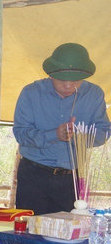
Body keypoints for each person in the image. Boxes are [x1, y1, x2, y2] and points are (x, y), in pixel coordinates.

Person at [13, 43, 111, 214]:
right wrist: (54, 135)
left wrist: (80, 136)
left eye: (75, 81)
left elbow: (104, 131)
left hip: (71, 178)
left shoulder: (94, 95)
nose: (68, 86)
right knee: (31, 226)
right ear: (51, 75)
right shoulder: (31, 93)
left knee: (69, 227)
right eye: (61, 80)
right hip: (33, 174)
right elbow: (21, 133)